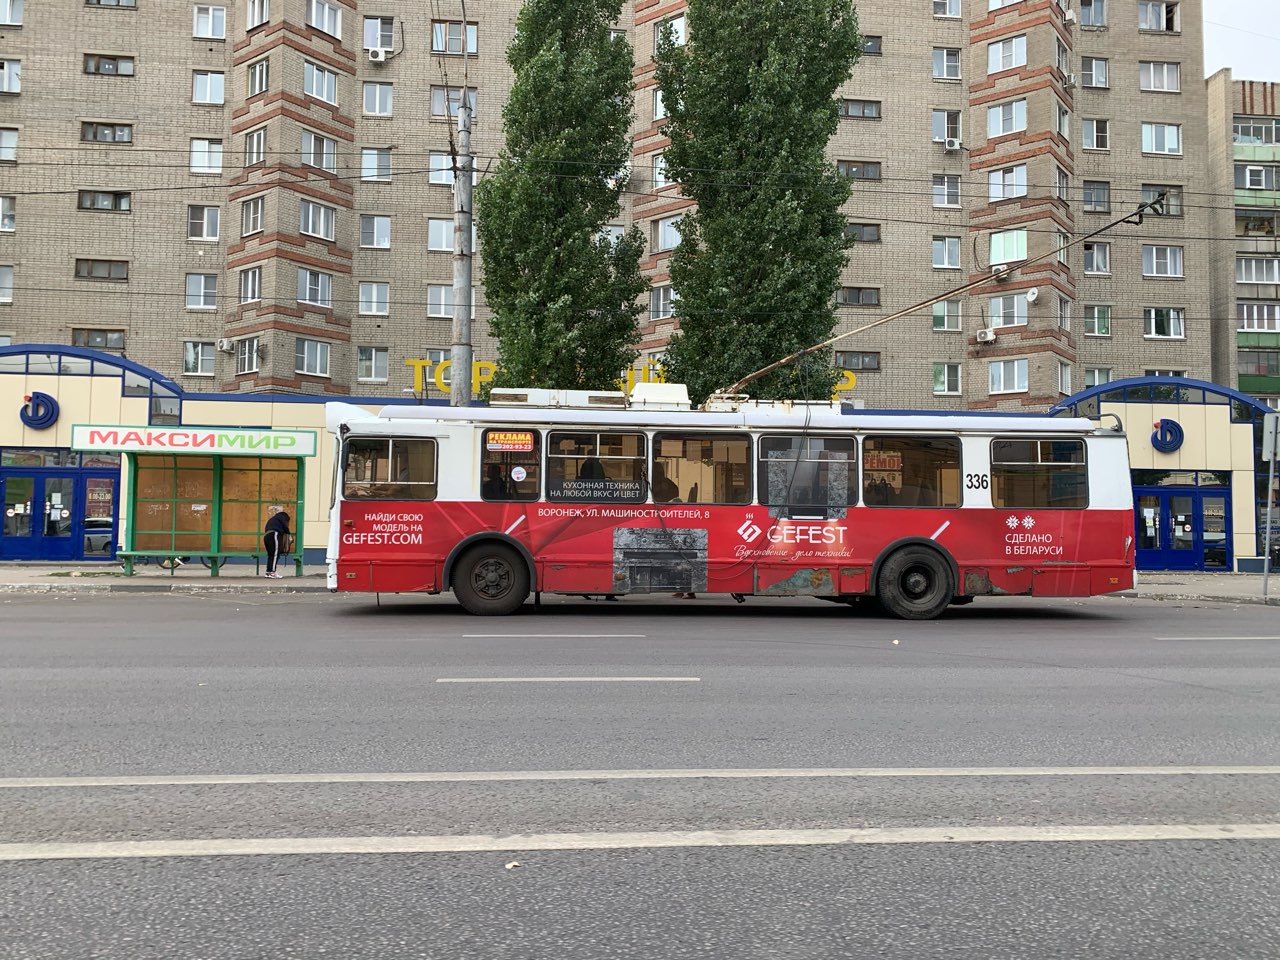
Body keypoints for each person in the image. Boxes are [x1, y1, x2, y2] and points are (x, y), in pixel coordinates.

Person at [263, 507, 291, 579]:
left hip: (267, 536)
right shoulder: (282, 517)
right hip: (274, 534)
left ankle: (268, 572)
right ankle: (272, 572)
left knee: (271, 555)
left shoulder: (274, 519)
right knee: (275, 554)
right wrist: (289, 534)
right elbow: (285, 527)